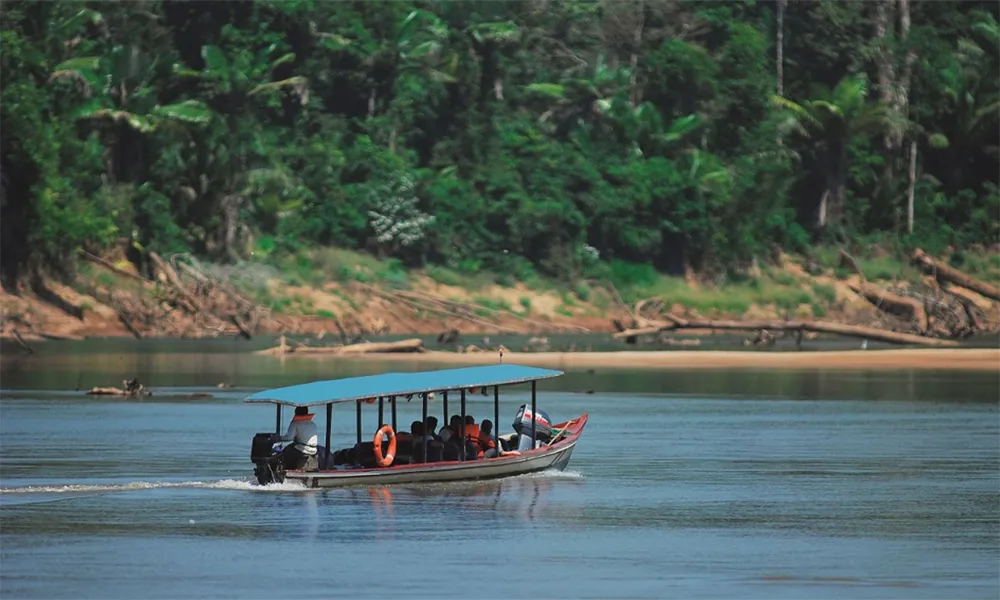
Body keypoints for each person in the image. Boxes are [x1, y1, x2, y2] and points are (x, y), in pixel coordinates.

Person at [278, 406, 319, 470]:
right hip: (314, 450)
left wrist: (278, 438)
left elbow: (289, 437)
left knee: (286, 451)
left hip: (303, 449)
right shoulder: (312, 423)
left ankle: (287, 469)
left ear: (296, 413)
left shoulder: (295, 423)